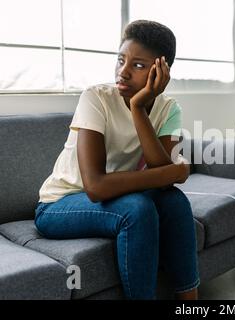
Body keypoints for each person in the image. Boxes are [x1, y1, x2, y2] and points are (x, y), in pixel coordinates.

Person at [34, 20, 199, 300]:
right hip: (58, 206)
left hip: (115, 196)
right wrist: (175, 171)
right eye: (121, 60)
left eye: (137, 65)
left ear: (161, 71)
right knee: (137, 208)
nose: (122, 72)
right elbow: (96, 187)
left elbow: (163, 178)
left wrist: (138, 108)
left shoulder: (169, 108)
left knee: (175, 202)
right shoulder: (96, 98)